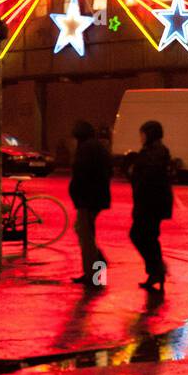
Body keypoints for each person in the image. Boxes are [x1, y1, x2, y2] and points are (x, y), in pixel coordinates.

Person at [129, 120, 173, 292]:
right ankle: (156, 272)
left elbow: (148, 178)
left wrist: (135, 173)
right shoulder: (154, 151)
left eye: (143, 134)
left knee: (141, 236)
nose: (141, 137)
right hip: (151, 203)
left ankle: (157, 270)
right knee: (148, 237)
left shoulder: (155, 152)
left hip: (150, 204)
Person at [68, 120, 112, 289]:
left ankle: (93, 275)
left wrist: (78, 194)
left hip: (87, 199)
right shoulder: (96, 147)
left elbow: (81, 175)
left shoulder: (86, 149)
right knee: (85, 232)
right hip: (94, 198)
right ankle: (97, 267)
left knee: (85, 236)